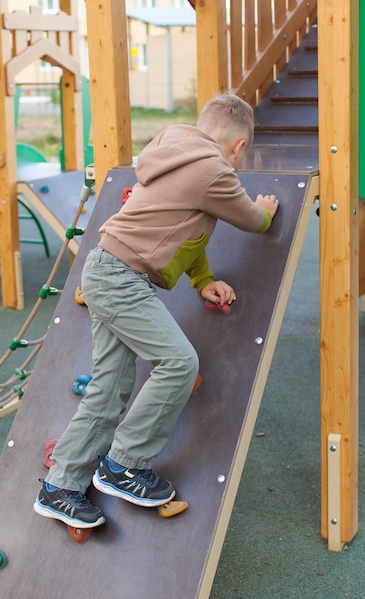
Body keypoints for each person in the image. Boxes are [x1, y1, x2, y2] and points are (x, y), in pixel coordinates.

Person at [33, 94, 279, 529]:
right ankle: (124, 465)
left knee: (109, 388)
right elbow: (252, 219)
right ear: (238, 147)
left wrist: (204, 281)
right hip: (122, 280)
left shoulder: (173, 148)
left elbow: (187, 234)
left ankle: (61, 486)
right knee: (180, 363)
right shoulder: (215, 171)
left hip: (105, 269)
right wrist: (265, 210)